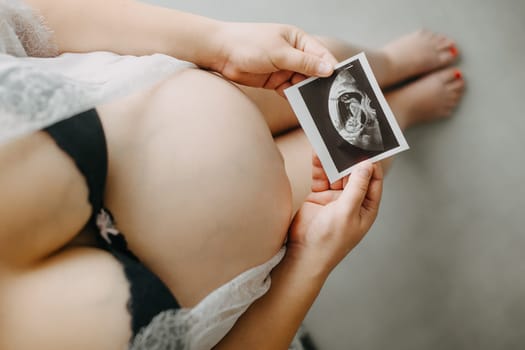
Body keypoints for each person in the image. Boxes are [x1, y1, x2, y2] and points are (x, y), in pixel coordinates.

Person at [0, 0, 465, 349]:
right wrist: (311, 258)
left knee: (329, 71)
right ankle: (401, 110)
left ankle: (388, 64)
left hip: (185, 88)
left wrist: (217, 40)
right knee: (364, 161)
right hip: (276, 248)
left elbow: (22, 21)